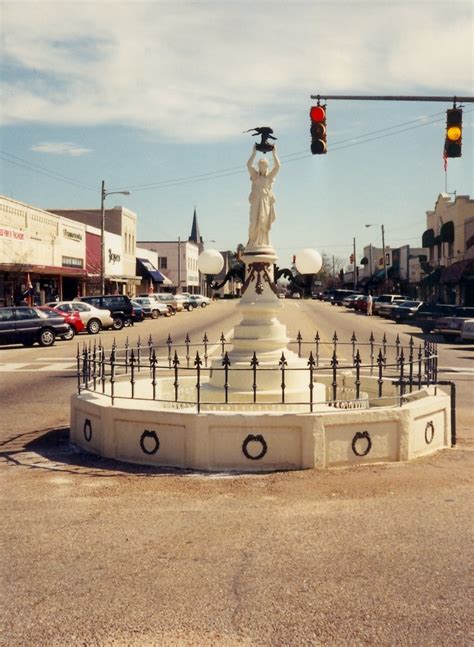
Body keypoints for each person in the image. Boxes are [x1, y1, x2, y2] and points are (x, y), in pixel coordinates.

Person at [247, 144, 281, 247]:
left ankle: (262, 243)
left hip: (265, 202)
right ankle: (252, 242)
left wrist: (274, 154)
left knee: (263, 222)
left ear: (266, 167)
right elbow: (248, 165)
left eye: (264, 166)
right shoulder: (254, 175)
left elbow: (278, 166)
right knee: (253, 223)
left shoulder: (269, 177)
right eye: (260, 166)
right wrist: (254, 153)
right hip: (255, 201)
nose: (261, 168)